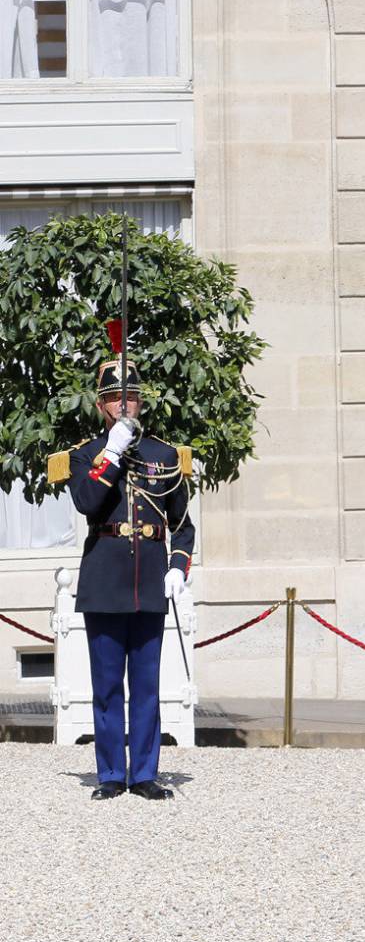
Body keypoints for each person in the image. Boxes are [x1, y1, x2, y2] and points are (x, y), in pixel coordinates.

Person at [54, 320, 195, 801]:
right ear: (101, 406)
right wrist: (112, 453)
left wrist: (177, 566)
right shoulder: (86, 455)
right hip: (104, 581)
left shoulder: (165, 456)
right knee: (108, 685)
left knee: (148, 686)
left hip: (150, 580)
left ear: (141, 403)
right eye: (115, 398)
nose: (124, 405)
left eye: (131, 397)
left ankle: (145, 774)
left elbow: (183, 523)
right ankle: (112, 773)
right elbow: (88, 503)